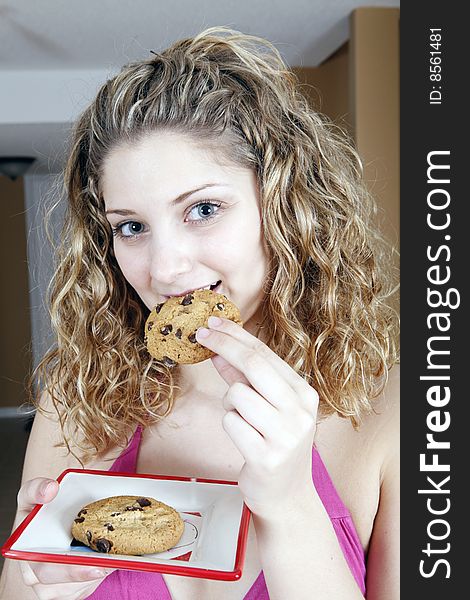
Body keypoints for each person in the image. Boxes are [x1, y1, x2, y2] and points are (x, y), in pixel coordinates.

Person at [0, 27, 399, 600]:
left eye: (203, 209)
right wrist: (42, 585)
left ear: (284, 205)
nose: (164, 269)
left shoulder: (396, 410)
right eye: (131, 227)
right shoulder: (78, 397)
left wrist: (289, 504)